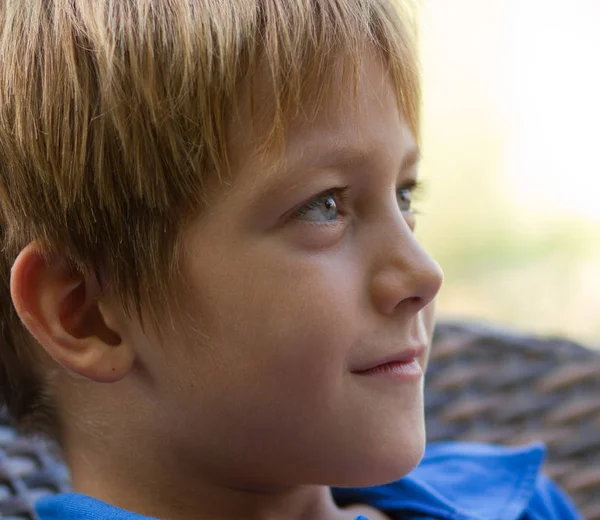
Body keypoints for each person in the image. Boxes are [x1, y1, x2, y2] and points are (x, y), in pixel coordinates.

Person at [0, 1, 582, 519]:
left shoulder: (518, 504)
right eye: (324, 207)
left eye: (404, 196)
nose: (424, 275)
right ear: (87, 315)